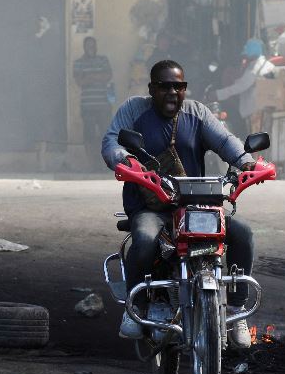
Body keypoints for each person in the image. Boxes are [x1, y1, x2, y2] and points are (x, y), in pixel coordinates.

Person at [101, 59, 257, 348]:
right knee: (146, 240)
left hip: (193, 204)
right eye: (165, 86)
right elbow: (112, 142)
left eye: (179, 86)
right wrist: (124, 159)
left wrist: (246, 161)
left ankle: (236, 308)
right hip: (150, 206)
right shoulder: (134, 110)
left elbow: (224, 141)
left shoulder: (196, 113)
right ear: (152, 88)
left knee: (243, 234)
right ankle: (136, 308)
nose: (173, 92)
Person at [213, 39, 276, 137]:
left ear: (252, 52)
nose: (244, 56)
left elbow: (239, 87)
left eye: (246, 53)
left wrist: (217, 94)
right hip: (266, 109)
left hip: (256, 112)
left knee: (256, 143)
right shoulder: (269, 65)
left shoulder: (255, 68)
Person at [73, 37, 114, 169]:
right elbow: (80, 82)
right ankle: (92, 164)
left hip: (103, 105)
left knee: (104, 135)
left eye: (93, 45)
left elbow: (107, 76)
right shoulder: (78, 63)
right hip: (87, 106)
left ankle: (104, 164)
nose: (91, 48)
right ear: (84, 47)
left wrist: (89, 77)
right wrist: (97, 76)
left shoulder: (103, 60)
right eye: (89, 46)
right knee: (89, 136)